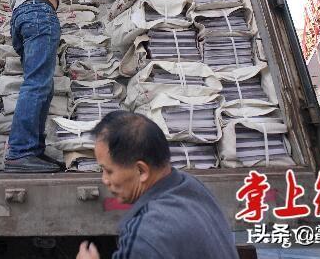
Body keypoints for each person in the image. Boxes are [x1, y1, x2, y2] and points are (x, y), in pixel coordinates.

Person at [77, 111, 239, 259]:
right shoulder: (192, 186)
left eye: (108, 171)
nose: (104, 180)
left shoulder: (146, 235)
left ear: (141, 171)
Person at [0, 0, 62, 173]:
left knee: (42, 85)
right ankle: (20, 152)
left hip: (20, 18)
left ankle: (34, 151)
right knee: (37, 83)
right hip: (38, 12)